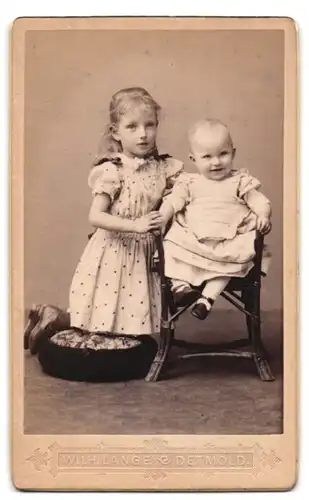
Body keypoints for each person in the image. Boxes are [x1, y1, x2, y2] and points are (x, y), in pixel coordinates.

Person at [25, 87, 183, 353]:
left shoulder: (164, 167)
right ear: (115, 132)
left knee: (125, 317)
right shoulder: (113, 170)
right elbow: (95, 216)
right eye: (132, 127)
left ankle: (56, 318)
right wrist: (136, 226)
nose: (143, 133)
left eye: (149, 125)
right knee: (99, 315)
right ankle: (52, 319)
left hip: (143, 252)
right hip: (115, 250)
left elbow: (185, 191)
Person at [160, 118, 272, 320]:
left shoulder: (240, 181)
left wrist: (263, 214)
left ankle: (206, 300)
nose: (216, 162)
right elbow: (173, 202)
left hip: (227, 243)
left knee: (234, 261)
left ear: (233, 153)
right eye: (207, 156)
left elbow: (260, 201)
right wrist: (162, 217)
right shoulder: (189, 182)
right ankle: (180, 288)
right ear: (193, 159)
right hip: (193, 243)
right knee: (171, 244)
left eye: (223, 154)